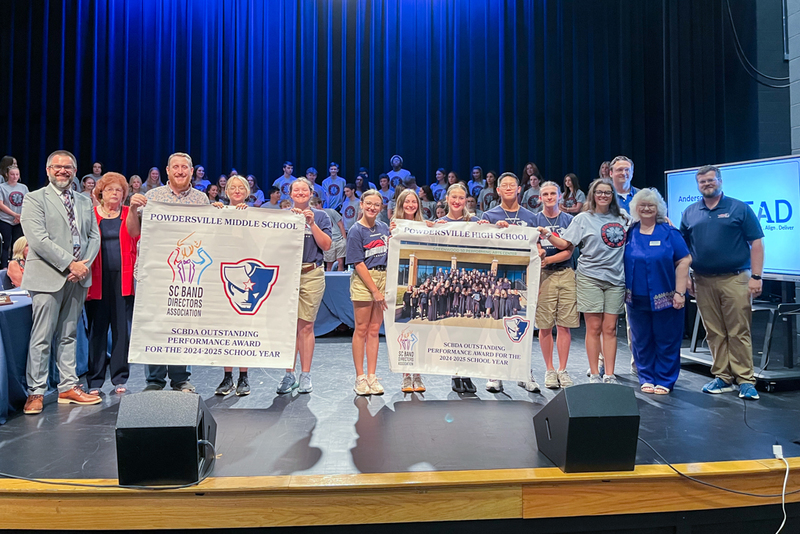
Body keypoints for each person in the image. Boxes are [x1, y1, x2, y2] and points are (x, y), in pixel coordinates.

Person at [20, 150, 102, 415]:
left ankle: (68, 386)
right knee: (42, 337)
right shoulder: (34, 199)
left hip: (78, 277)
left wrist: (83, 266)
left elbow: (94, 236)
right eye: (57, 167)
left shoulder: (83, 201)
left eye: (68, 167)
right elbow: (38, 240)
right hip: (47, 276)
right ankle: (36, 392)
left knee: (69, 334)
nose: (62, 171)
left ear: (75, 171)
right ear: (47, 170)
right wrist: (70, 263)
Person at [127, 152, 209, 393]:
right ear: (167, 170)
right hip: (154, 272)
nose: (180, 171)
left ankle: (180, 378)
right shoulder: (151, 197)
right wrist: (132, 209)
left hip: (186, 273)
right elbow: (133, 233)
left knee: (182, 324)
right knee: (154, 323)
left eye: (185, 167)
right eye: (176, 167)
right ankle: (154, 380)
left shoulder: (201, 199)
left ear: (192, 171)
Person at [681, 165, 764, 400]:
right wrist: (686, 276)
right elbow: (683, 249)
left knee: (738, 330)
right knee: (714, 331)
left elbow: (756, 242)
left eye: (710, 180)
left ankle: (746, 380)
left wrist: (756, 277)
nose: (707, 185)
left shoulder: (739, 208)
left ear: (720, 181)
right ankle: (723, 377)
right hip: (702, 280)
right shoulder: (689, 212)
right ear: (698, 185)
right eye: (702, 182)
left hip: (736, 278)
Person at [544, 178, 629, 385]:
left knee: (610, 329)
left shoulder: (624, 218)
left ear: (612, 196)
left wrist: (664, 220)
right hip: (590, 278)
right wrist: (548, 235)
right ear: (592, 195)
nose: (603, 196)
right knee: (594, 328)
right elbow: (566, 243)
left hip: (616, 280)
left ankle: (609, 375)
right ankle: (594, 374)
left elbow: (646, 222)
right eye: (599, 192)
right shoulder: (582, 219)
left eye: (607, 192)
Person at [625, 188, 691, 395]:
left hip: (667, 298)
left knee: (667, 340)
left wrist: (680, 293)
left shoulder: (669, 232)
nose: (646, 208)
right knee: (641, 340)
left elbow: (684, 260)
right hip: (636, 298)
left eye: (651, 205)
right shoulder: (630, 232)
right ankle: (646, 376)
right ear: (635, 208)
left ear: (658, 208)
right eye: (642, 205)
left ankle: (665, 379)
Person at [480, 172, 539, 393]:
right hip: (498, 279)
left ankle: (524, 372)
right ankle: (494, 373)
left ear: (518, 189)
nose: (507, 188)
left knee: (522, 325)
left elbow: (537, 248)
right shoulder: (489, 214)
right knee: (496, 326)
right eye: (503, 185)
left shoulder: (531, 217)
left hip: (522, 276)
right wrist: (494, 231)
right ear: (497, 190)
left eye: (511, 185)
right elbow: (482, 246)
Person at [276, 178, 332, 394]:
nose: (300, 192)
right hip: (288, 275)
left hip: (312, 273)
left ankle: (305, 375)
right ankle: (287, 374)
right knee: (289, 327)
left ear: (311, 193)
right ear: (290, 194)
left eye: (304, 190)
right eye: (295, 190)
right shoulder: (282, 216)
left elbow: (326, 246)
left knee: (306, 326)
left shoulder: (321, 215)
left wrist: (312, 223)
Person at [85, 173, 139, 396]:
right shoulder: (91, 215)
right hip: (96, 280)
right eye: (110, 190)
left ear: (124, 194)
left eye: (118, 190)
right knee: (97, 330)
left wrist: (135, 210)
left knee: (121, 330)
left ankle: (119, 377)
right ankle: (95, 381)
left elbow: (135, 234)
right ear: (100, 192)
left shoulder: (128, 213)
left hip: (123, 280)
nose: (114, 193)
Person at [527, 181, 577, 391]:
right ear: (540, 197)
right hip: (542, 275)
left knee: (564, 325)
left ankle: (562, 370)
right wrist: (542, 257)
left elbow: (568, 249)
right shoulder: (534, 219)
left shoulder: (569, 219)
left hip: (565, 273)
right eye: (545, 194)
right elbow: (534, 247)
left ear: (559, 196)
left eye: (553, 193)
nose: (549, 197)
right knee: (545, 324)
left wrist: (548, 258)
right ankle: (549, 369)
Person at [435, 183, 479, 394]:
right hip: (450, 288)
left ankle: (468, 373)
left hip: (468, 286)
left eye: (461, 198)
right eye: (454, 197)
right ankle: (455, 373)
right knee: (452, 330)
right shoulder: (439, 223)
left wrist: (499, 227)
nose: (457, 201)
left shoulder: (476, 222)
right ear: (447, 198)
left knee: (469, 330)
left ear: (466, 200)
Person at [212, 175, 253, 396]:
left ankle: (244, 377)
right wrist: (217, 213)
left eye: (241, 188)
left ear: (247, 192)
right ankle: (227, 377)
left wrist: (247, 218)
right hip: (223, 274)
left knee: (243, 326)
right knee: (225, 326)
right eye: (232, 188)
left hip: (246, 274)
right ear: (226, 192)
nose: (237, 191)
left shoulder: (255, 215)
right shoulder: (218, 211)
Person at [347, 190, 390, 396]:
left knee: (375, 330)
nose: (373, 207)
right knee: (361, 329)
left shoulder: (384, 227)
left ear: (381, 207)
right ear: (362, 204)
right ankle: (360, 377)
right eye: (369, 204)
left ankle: (372, 376)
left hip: (384, 279)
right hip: (365, 281)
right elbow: (358, 262)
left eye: (377, 204)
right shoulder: (356, 230)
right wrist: (374, 290)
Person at [390, 188, 430, 393]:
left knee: (420, 333)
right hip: (396, 275)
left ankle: (418, 373)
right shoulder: (393, 225)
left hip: (418, 294)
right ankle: (406, 376)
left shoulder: (424, 225)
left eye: (414, 202)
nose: (411, 205)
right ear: (401, 204)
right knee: (403, 334)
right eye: (407, 202)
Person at [0, 165, 29, 268]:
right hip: (6, 220)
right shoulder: (2, 187)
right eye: (12, 174)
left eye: (17, 174)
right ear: (7, 174)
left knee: (18, 245)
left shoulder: (23, 187)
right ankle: (4, 266)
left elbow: (27, 203)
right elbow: (1, 204)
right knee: (5, 244)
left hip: (19, 221)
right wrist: (14, 214)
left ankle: (17, 266)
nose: (15, 176)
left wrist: (21, 216)